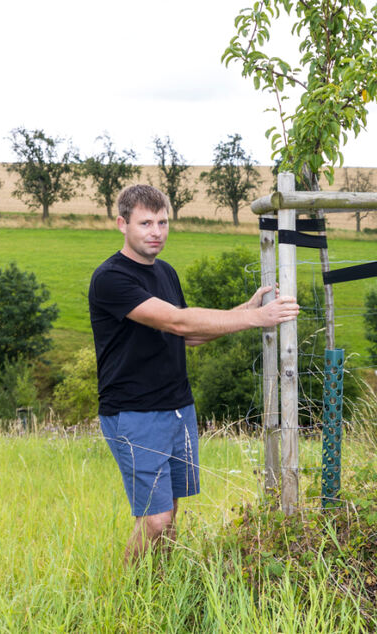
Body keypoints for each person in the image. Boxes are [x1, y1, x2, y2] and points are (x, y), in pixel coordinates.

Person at [89, 184, 299, 563]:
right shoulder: (111, 278)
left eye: (163, 222)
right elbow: (176, 321)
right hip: (134, 412)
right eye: (146, 223)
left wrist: (244, 313)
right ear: (122, 224)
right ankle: (125, 587)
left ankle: (161, 586)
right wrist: (257, 316)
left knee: (171, 513)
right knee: (155, 520)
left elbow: (188, 337)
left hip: (178, 407)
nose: (156, 231)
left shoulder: (165, 272)